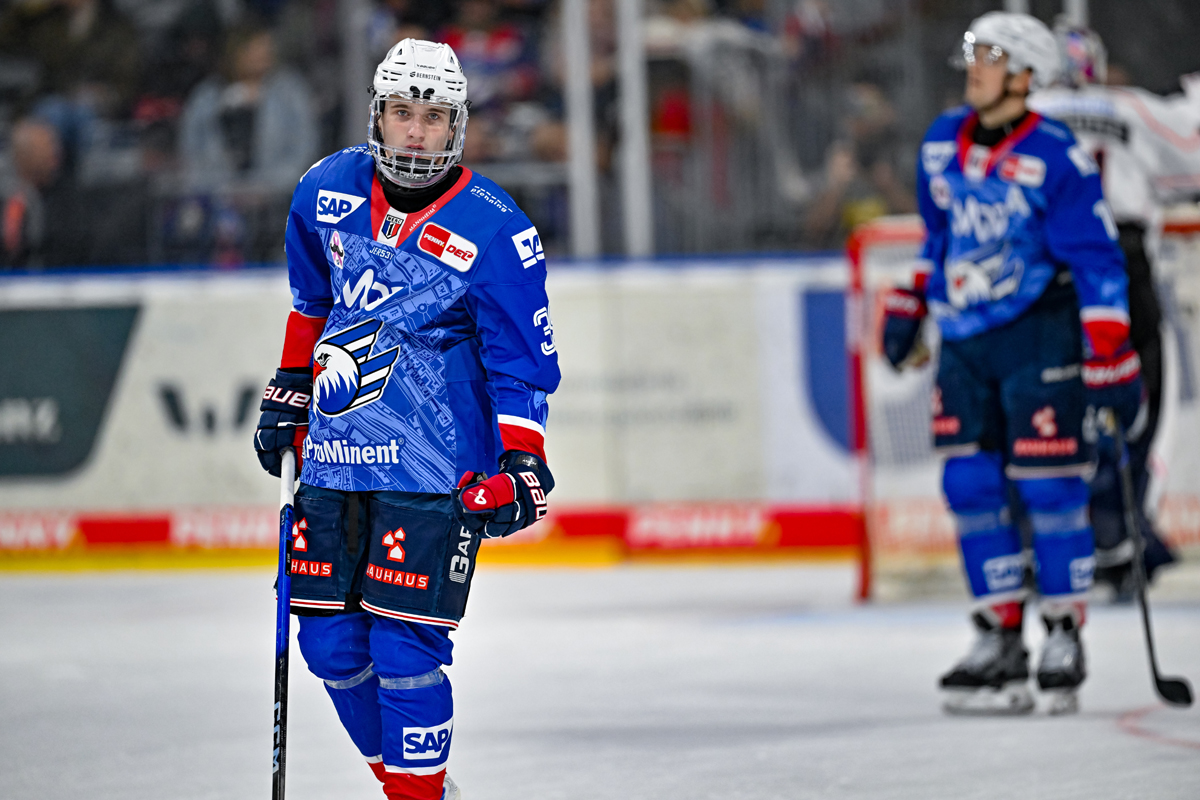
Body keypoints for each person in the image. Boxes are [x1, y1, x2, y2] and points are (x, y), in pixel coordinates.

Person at [252, 39, 560, 800]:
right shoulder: (325, 190)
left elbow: (519, 363)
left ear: (456, 124)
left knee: (404, 647)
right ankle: (419, 787)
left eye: (432, 116)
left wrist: (523, 462)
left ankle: (413, 796)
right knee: (325, 644)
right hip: (336, 450)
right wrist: (291, 387)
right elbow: (311, 303)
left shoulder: (496, 229)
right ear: (377, 116)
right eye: (401, 113)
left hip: (435, 466)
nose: (415, 131)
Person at [881, 12, 1143, 715]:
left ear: (1026, 73)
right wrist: (910, 301)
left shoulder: (1060, 156)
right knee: (969, 483)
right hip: (965, 343)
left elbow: (1096, 260)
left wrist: (1111, 352)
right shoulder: (941, 142)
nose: (975, 65)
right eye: (972, 51)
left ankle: (1063, 631)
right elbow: (936, 236)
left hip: (1039, 337)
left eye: (991, 55)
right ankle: (998, 633)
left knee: (1052, 487)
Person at [1029, 23, 1192, 600]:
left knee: (1042, 401)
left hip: (1044, 267)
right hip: (1120, 263)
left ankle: (1039, 543)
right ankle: (1122, 533)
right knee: (1137, 396)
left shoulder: (1023, 113)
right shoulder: (1127, 106)